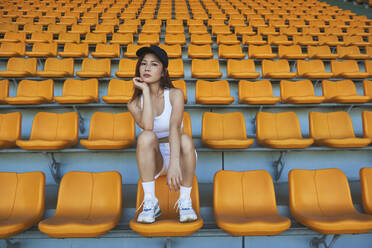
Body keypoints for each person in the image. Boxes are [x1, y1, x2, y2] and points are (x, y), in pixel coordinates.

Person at [127, 45, 198, 224]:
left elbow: (175, 127)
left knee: (186, 138)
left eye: (154, 64)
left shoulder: (175, 95)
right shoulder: (134, 104)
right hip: (155, 157)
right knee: (145, 136)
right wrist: (144, 91)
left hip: (179, 154)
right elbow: (148, 126)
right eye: (143, 64)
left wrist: (174, 162)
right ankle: (150, 201)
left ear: (163, 72)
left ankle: (185, 201)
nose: (147, 68)